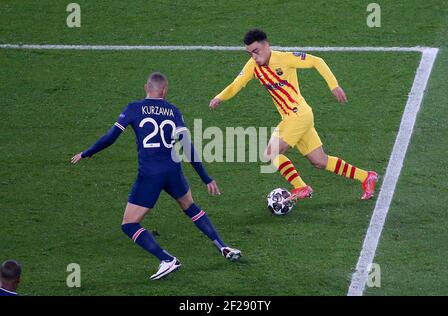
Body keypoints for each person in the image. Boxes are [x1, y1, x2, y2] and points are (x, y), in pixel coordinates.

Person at [71, 72, 241, 281]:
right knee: (190, 207)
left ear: (146, 88)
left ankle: (167, 260)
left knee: (129, 224)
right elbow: (187, 147)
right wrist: (206, 178)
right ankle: (223, 247)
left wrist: (87, 152)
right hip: (173, 171)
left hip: (150, 174)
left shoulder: (133, 108)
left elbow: (110, 137)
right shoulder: (173, 111)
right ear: (165, 90)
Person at [209, 29, 378, 201]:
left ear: (266, 45)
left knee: (271, 153)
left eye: (256, 51)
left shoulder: (284, 58)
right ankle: (366, 177)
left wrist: (334, 85)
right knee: (319, 161)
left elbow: (316, 61)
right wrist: (219, 97)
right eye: (249, 53)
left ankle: (300, 187)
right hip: (294, 117)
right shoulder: (253, 66)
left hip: (298, 115)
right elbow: (236, 84)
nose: (253, 57)